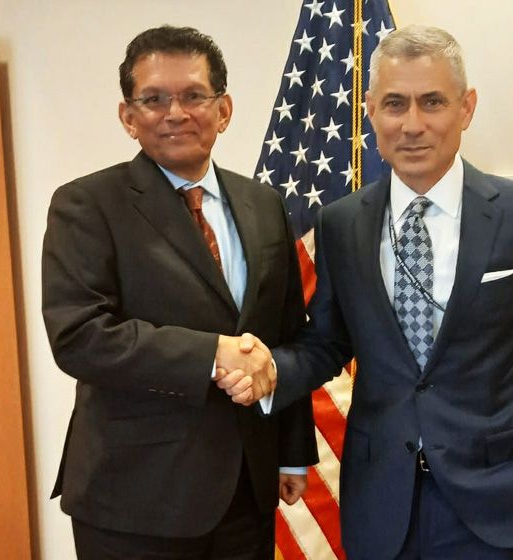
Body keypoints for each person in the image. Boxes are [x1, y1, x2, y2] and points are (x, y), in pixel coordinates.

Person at [216, 25, 513, 560]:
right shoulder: (340, 224)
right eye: (395, 103)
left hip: (498, 505)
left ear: (466, 108)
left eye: (433, 102)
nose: (413, 124)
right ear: (371, 110)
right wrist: (272, 369)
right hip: (381, 504)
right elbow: (329, 342)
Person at [42, 25, 316, 559]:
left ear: (224, 110)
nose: (175, 113)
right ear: (128, 117)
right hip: (134, 499)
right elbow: (79, 337)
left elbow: (286, 333)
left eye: (194, 95)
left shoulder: (264, 203)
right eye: (153, 99)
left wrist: (291, 451)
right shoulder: (87, 205)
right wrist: (211, 355)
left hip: (247, 492)